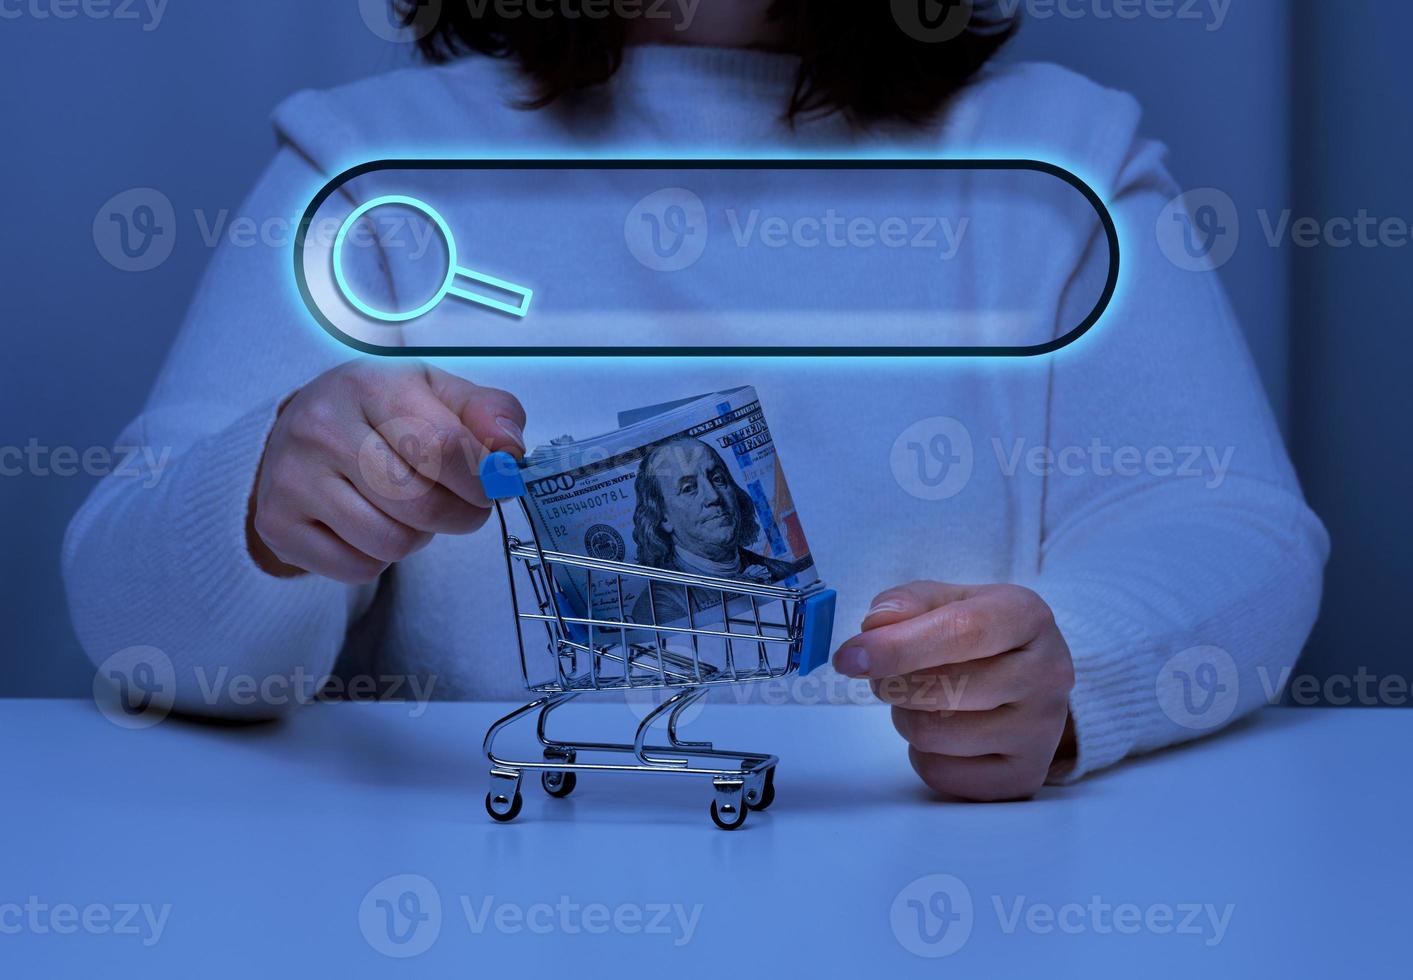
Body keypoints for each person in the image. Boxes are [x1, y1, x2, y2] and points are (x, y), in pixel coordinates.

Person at [63, 1, 1328, 802]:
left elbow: (1233, 527)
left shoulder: (1059, 163)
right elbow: (127, 618)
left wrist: (1071, 667)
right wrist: (262, 510)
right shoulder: (366, 168)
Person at [628, 436, 808, 626]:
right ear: (663, 517)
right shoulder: (660, 606)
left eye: (718, 479)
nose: (713, 496)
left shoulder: (782, 571)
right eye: (689, 488)